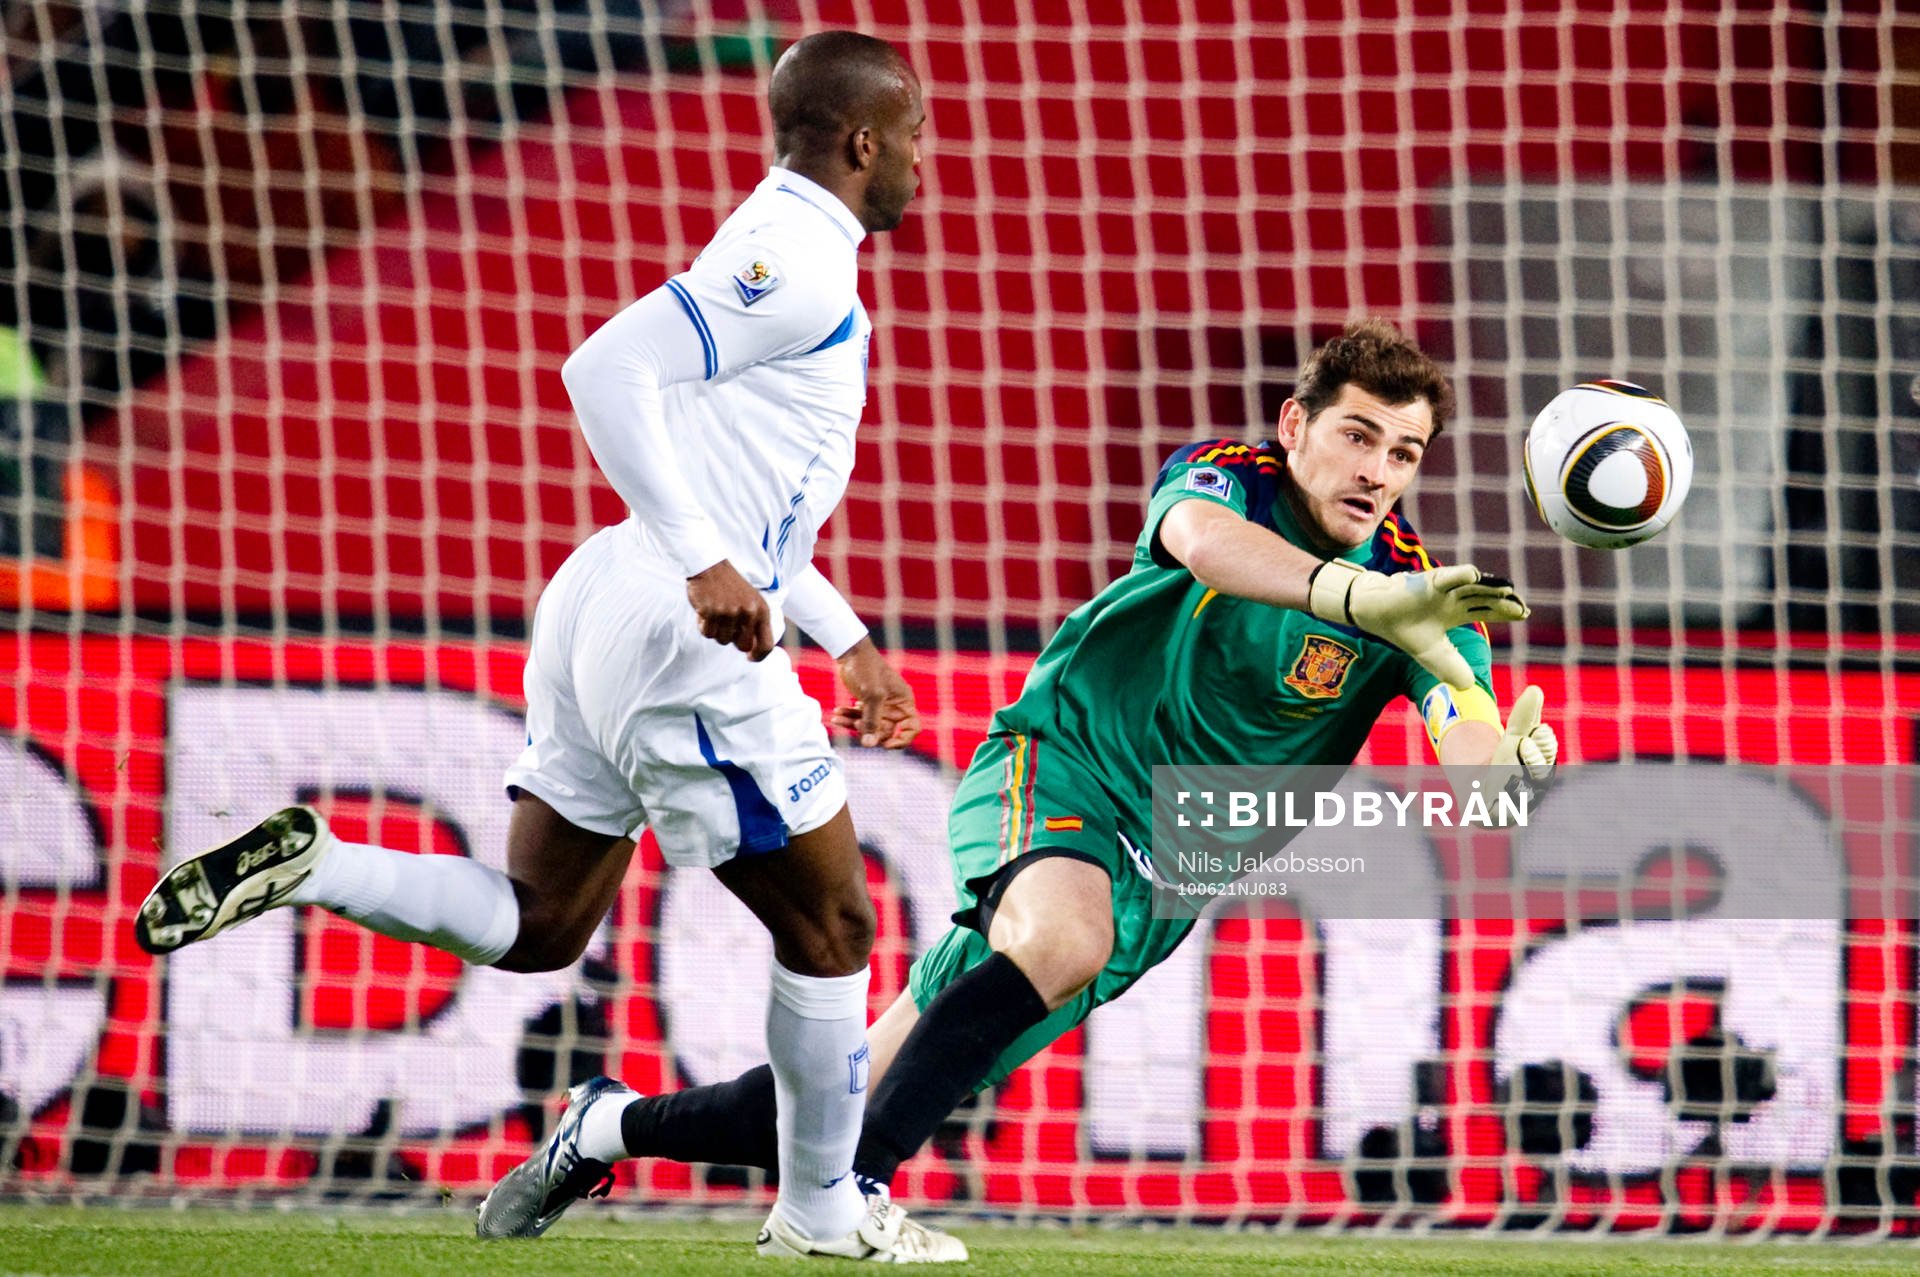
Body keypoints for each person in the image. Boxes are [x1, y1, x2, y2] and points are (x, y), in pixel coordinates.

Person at [133, 30, 964, 1263]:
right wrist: (703, 560)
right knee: (835, 928)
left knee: (541, 922)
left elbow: (735, 486)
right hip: (676, 627)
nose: (923, 158)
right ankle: (822, 1211)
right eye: (914, 135)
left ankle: (320, 865)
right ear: (862, 140)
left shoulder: (777, 241)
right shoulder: (795, 262)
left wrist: (843, 639)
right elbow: (602, 367)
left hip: (606, 596)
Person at [473, 318, 1560, 1239]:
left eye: (1404, 453)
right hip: (1062, 760)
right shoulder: (1232, 478)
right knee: (1060, 938)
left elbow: (1464, 726)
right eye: (1358, 435)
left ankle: (605, 1126)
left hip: (1162, 876)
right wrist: (1353, 599)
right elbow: (1202, 541)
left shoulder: (1418, 589)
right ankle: (853, 1203)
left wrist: (1499, 774)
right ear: (1295, 426)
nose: (1377, 471)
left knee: (841, 1096)